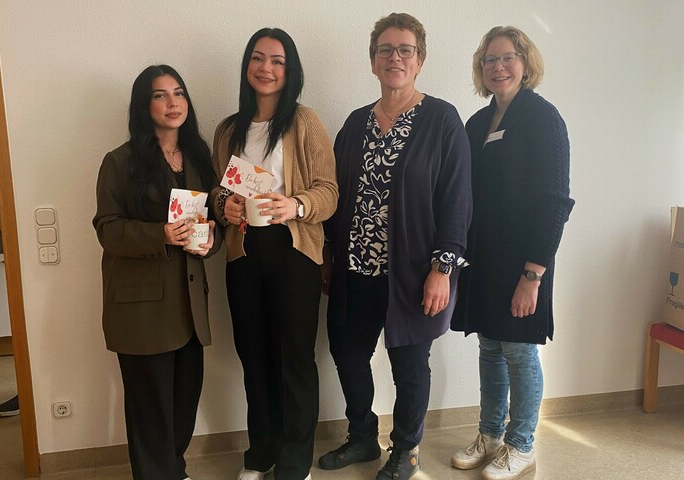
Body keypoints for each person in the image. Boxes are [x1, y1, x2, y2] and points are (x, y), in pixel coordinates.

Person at [320, 13, 472, 480]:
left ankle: (406, 450)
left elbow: (457, 200)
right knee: (348, 355)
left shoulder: (442, 120)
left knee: (409, 365)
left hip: (413, 273)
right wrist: (328, 255)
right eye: (385, 50)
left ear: (419, 61)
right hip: (355, 269)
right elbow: (335, 194)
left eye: (406, 50)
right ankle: (363, 436)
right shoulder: (355, 124)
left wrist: (442, 269)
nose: (395, 58)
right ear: (373, 62)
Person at [210, 28, 338, 480]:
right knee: (254, 357)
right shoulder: (228, 129)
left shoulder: (304, 121)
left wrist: (296, 205)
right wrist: (223, 206)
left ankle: (295, 459)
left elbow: (329, 191)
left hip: (294, 252)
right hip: (244, 255)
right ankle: (261, 451)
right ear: (247, 65)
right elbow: (218, 191)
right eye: (258, 58)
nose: (266, 68)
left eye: (277, 61)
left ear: (290, 70)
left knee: (294, 359)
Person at [449, 26, 574, 480]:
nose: (498, 67)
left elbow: (555, 202)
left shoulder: (543, 119)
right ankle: (490, 435)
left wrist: (533, 274)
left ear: (525, 63)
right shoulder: (476, 123)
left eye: (507, 58)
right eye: (489, 60)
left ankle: (521, 444)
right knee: (489, 347)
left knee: (519, 351)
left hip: (525, 261)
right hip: (484, 259)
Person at [93, 64, 219, 480]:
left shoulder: (199, 158)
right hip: (142, 309)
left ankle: (174, 471)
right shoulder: (120, 161)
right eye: (160, 95)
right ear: (143, 106)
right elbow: (108, 229)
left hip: (189, 307)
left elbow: (213, 224)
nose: (172, 103)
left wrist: (209, 241)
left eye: (178, 93)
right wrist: (160, 234)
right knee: (150, 413)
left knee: (183, 406)